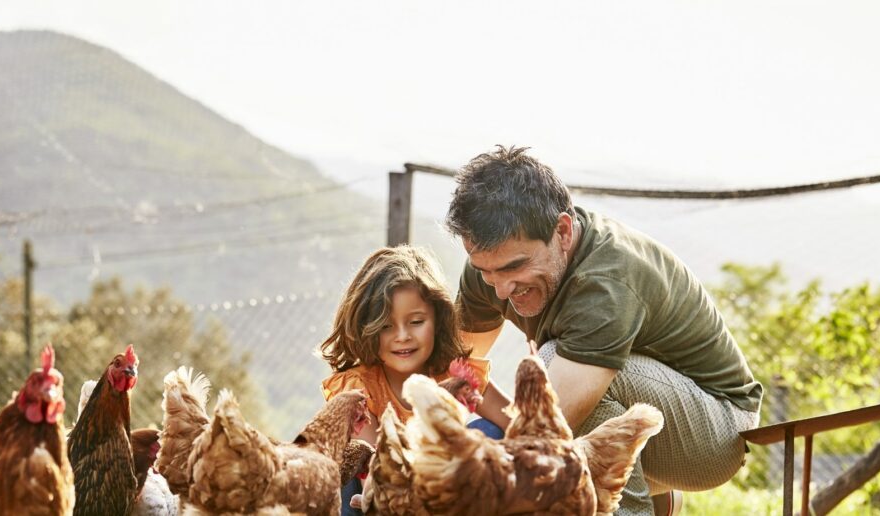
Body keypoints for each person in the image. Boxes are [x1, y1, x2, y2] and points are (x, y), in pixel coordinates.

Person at [446, 146, 764, 515]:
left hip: (715, 433)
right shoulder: (489, 269)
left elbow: (548, 430)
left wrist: (456, 479)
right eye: (486, 271)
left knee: (549, 378)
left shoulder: (607, 281)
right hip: (642, 420)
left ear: (562, 231)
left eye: (515, 266)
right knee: (509, 421)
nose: (499, 288)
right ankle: (654, 500)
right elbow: (458, 367)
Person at [318, 245, 511, 515]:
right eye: (386, 325)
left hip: (443, 495)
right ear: (366, 329)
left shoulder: (454, 371)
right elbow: (381, 462)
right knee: (347, 461)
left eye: (416, 322)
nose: (402, 336)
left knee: (489, 432)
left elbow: (515, 421)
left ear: (438, 319)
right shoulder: (358, 387)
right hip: (378, 496)